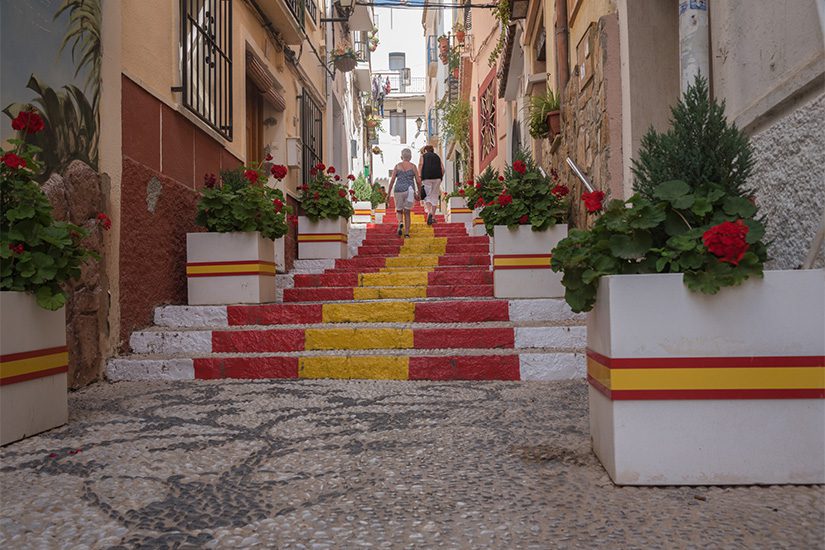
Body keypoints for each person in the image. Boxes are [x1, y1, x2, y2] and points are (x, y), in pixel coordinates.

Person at [386, 148, 422, 238]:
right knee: (407, 212)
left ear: (401, 156)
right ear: (410, 157)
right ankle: (406, 233)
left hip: (398, 190)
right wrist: (419, 193)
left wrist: (388, 193)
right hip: (409, 190)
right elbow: (418, 180)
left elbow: (392, 180)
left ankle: (400, 222)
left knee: (399, 210)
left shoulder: (397, 166)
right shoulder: (413, 166)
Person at [418, 144, 445, 225]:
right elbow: (442, 169)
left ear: (425, 150)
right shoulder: (437, 156)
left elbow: (420, 165)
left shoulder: (423, 156)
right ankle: (433, 217)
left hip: (426, 178)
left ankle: (429, 212)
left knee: (427, 196)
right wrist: (441, 177)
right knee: (434, 197)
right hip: (437, 178)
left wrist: (419, 176)